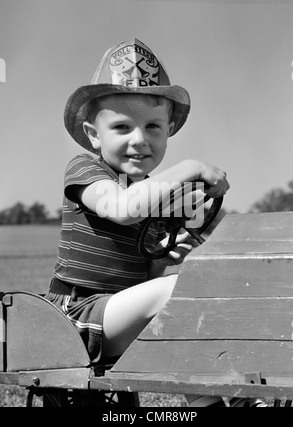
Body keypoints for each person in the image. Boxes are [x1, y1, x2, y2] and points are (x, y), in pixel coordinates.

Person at [46, 38, 263, 407]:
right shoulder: (87, 170)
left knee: (194, 289)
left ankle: (210, 402)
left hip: (116, 316)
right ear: (93, 135)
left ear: (168, 130)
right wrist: (191, 168)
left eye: (152, 127)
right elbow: (121, 208)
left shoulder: (157, 196)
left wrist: (164, 263)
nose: (139, 140)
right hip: (72, 320)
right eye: (121, 127)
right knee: (178, 292)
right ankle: (234, 398)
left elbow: (144, 279)